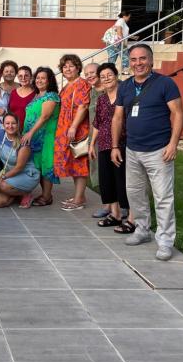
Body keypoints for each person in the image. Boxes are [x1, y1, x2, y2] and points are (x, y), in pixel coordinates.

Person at [111, 43, 183, 260]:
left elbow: (178, 114)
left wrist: (173, 144)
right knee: (135, 193)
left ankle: (165, 241)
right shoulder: (125, 86)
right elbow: (117, 117)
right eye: (133, 59)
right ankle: (142, 230)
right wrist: (115, 146)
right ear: (129, 63)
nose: (138, 63)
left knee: (163, 197)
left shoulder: (165, 83)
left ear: (151, 61)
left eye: (142, 58)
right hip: (132, 149)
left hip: (159, 150)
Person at [89, 63, 133, 232]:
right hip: (104, 143)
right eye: (103, 76)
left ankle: (130, 215)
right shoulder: (101, 99)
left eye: (109, 75)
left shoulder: (126, 96)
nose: (106, 78)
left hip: (122, 143)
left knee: (122, 179)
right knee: (107, 180)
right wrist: (92, 144)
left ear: (116, 75)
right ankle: (115, 214)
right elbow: (97, 123)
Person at [54, 54, 91, 211]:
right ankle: (79, 195)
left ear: (78, 68)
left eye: (71, 66)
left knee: (79, 163)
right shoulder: (67, 86)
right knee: (73, 164)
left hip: (76, 129)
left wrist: (74, 126)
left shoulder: (81, 84)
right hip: (65, 129)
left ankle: (79, 199)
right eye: (65, 66)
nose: (67, 69)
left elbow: (83, 106)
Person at [20, 66, 60, 207]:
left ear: (49, 81)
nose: (39, 80)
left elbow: (45, 116)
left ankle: (47, 196)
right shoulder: (37, 95)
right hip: (34, 138)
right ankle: (44, 194)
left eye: (43, 78)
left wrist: (30, 132)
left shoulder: (51, 96)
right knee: (38, 166)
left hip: (45, 137)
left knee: (46, 165)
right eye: (37, 78)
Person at [0, 112, 40, 208]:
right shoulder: (0, 135)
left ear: (18, 125)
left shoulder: (23, 142)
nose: (10, 126)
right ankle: (17, 194)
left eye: (13, 123)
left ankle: (26, 194)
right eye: (7, 123)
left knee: (2, 186)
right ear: (3, 125)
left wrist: (2, 178)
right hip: (11, 175)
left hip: (27, 174)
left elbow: (19, 168)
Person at [84, 62, 111, 220]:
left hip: (112, 137)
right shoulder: (92, 92)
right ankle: (108, 205)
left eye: (92, 72)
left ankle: (122, 206)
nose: (89, 76)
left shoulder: (112, 89)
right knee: (99, 172)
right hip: (95, 137)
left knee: (114, 172)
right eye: (86, 74)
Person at [8, 65, 36, 130]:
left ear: (31, 77)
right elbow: (10, 111)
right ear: (17, 77)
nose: (23, 78)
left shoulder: (36, 93)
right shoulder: (13, 93)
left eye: (26, 75)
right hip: (14, 130)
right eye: (20, 76)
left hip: (30, 130)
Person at [104, 10, 132, 75]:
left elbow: (123, 32)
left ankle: (109, 71)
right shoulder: (121, 20)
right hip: (118, 42)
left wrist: (133, 37)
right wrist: (123, 42)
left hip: (112, 42)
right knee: (125, 56)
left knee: (112, 57)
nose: (129, 18)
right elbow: (119, 31)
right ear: (124, 16)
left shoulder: (120, 21)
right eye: (129, 17)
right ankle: (124, 70)